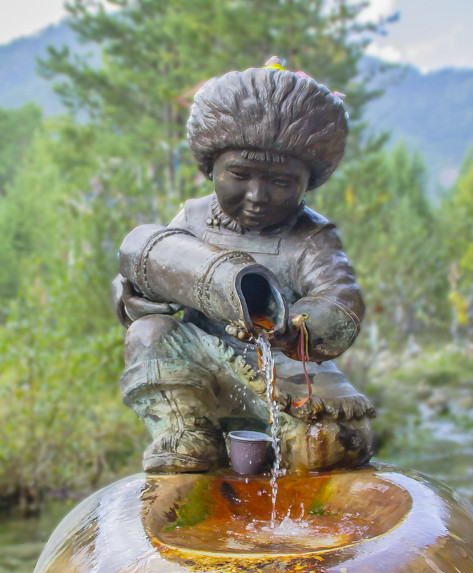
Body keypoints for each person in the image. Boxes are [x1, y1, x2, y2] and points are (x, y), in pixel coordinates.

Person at [113, 60, 375, 473]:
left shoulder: (311, 237)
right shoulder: (193, 220)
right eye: (239, 174)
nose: (257, 195)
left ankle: (287, 445)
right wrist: (134, 294)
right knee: (151, 334)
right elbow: (149, 273)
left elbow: (341, 302)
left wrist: (295, 327)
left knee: (330, 447)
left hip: (285, 375)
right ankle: (186, 432)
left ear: (307, 183)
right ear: (211, 168)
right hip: (203, 363)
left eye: (281, 183)